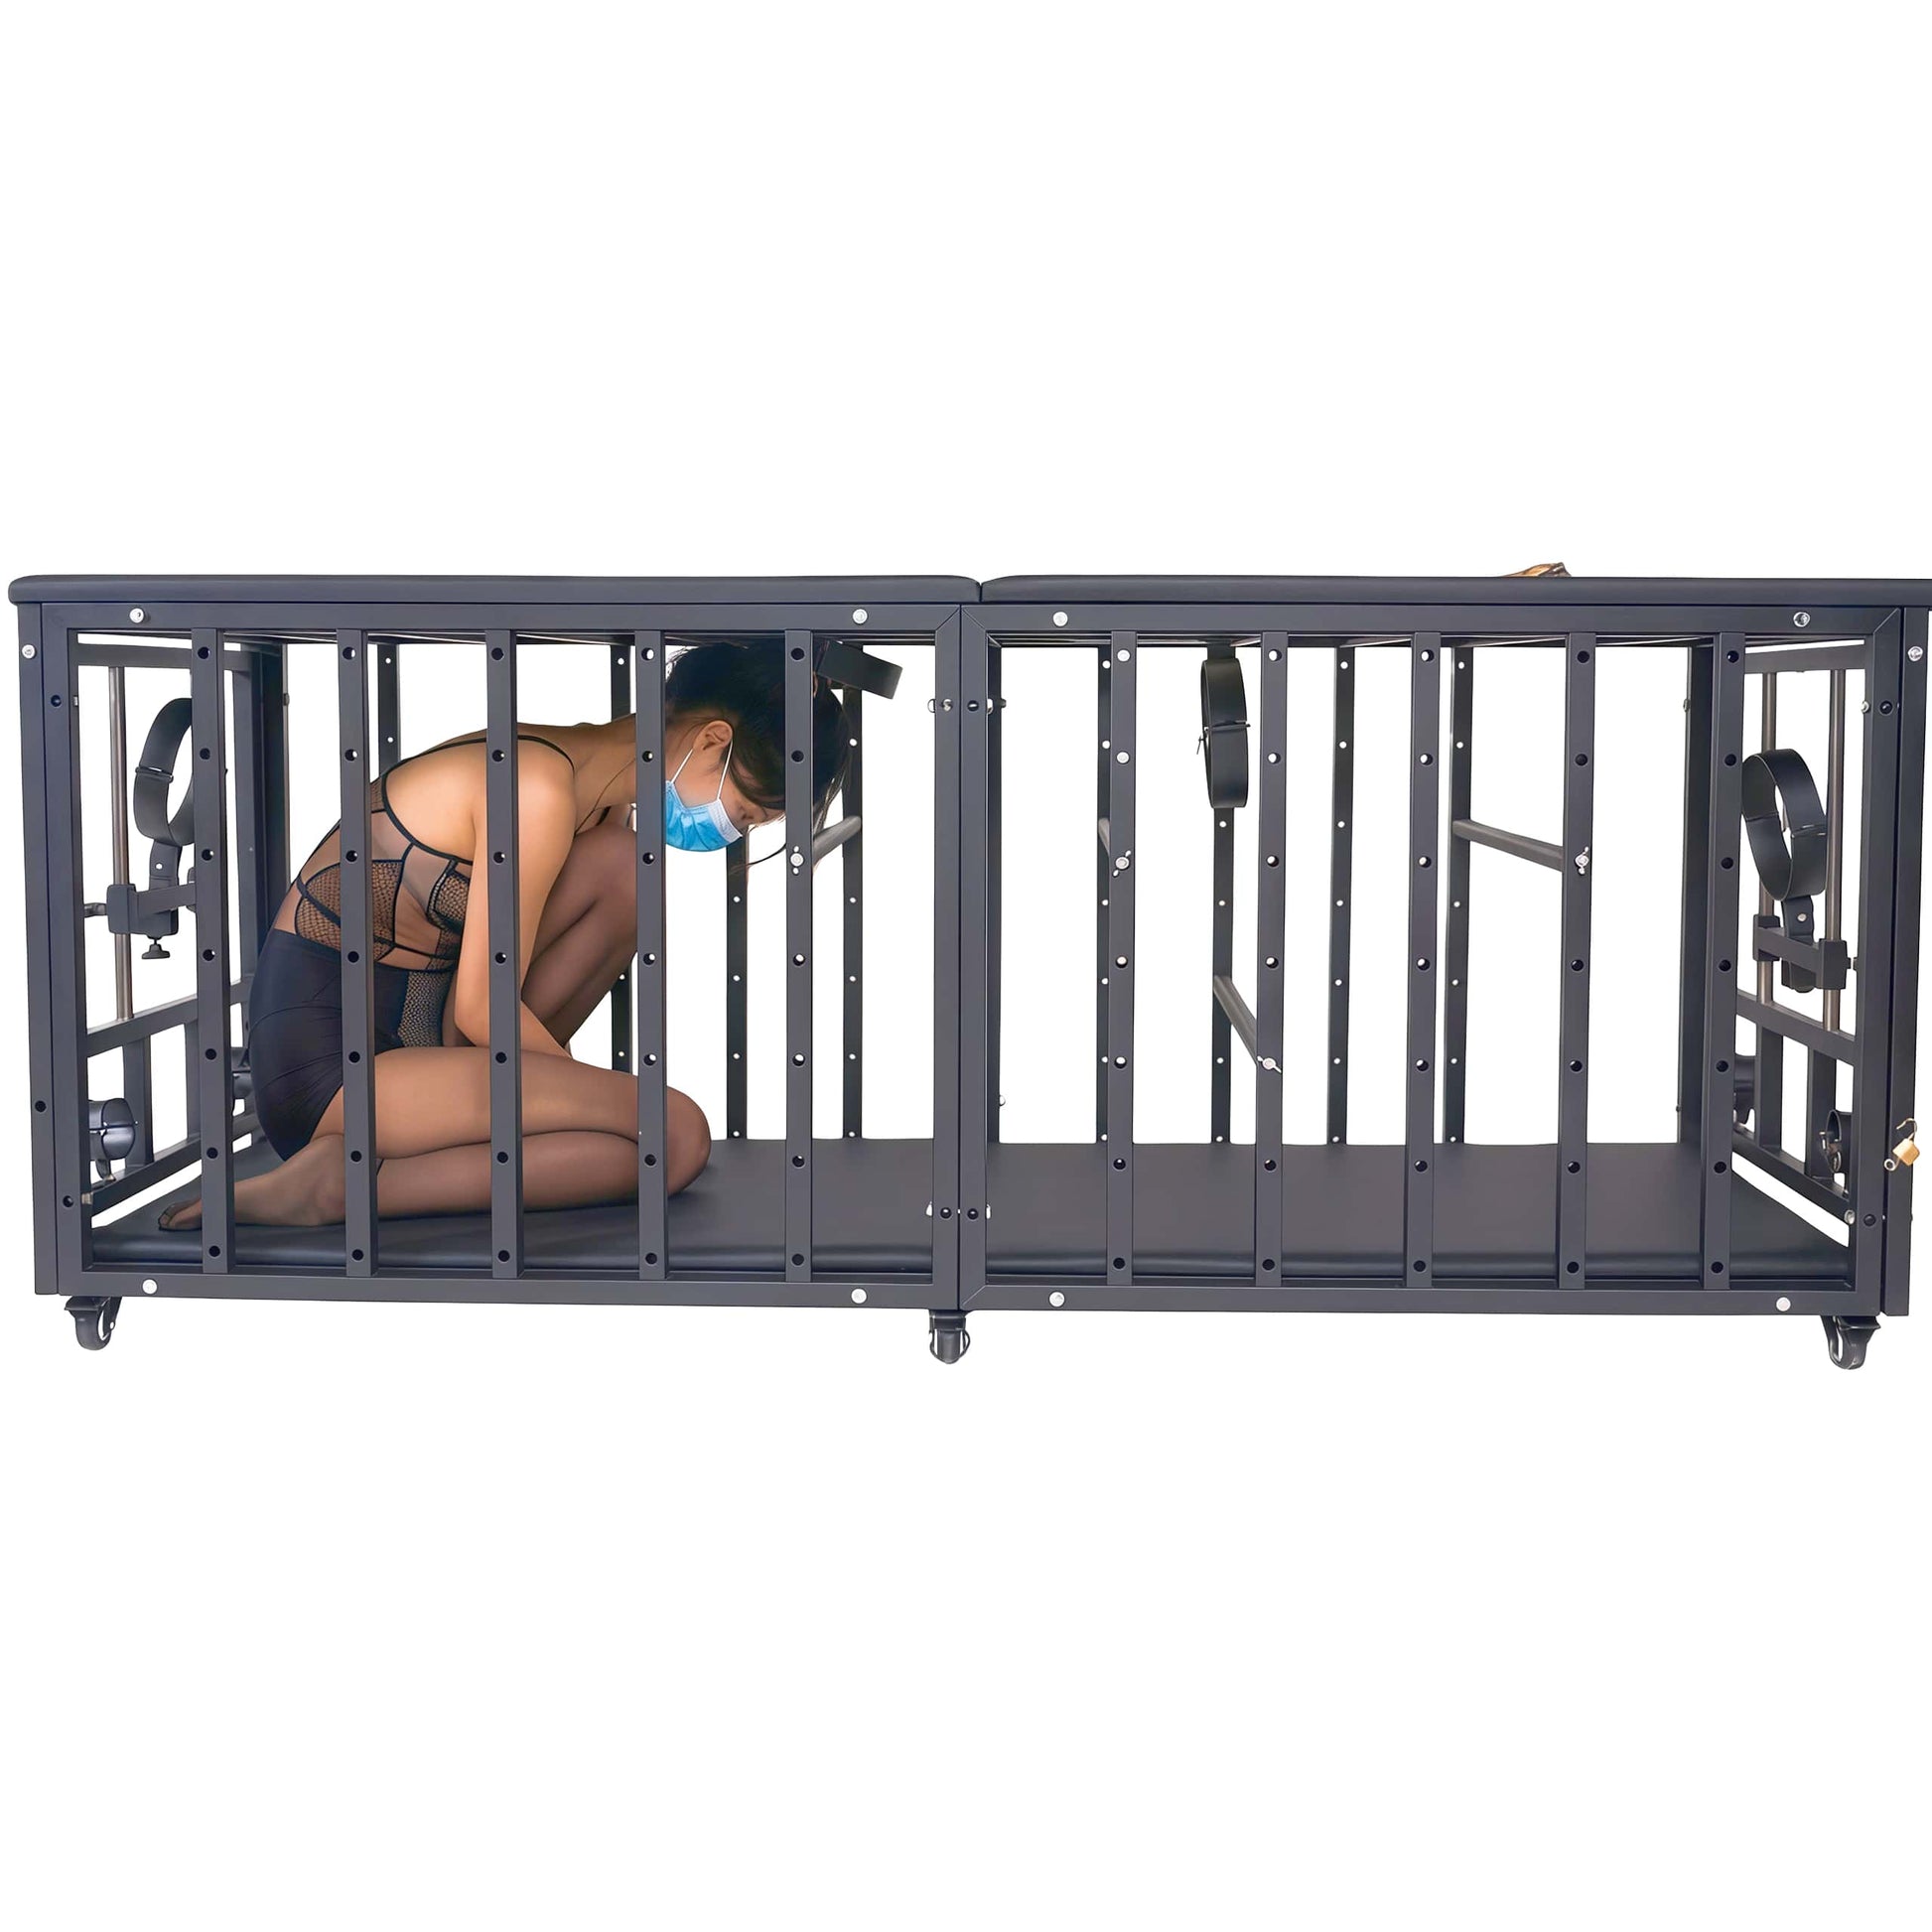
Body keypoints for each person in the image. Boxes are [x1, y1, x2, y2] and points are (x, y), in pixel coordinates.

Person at [162, 639, 847, 1229]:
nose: (733, 831)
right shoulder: (536, 787)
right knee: (673, 1135)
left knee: (626, 875)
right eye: (746, 813)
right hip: (329, 1075)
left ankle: (412, 1156)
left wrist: (587, 1102)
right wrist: (597, 1102)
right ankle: (337, 1187)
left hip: (425, 1049)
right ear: (712, 740)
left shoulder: (599, 800)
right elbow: (482, 1009)